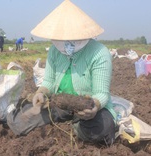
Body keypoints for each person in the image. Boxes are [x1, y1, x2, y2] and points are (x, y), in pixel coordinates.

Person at [30, 0, 117, 146]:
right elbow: (49, 82)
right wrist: (41, 92)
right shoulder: (54, 50)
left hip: (87, 109)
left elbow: (101, 93)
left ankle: (75, 125)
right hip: (59, 104)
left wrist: (94, 106)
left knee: (100, 130)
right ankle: (70, 122)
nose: (64, 42)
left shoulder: (99, 53)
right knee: (22, 119)